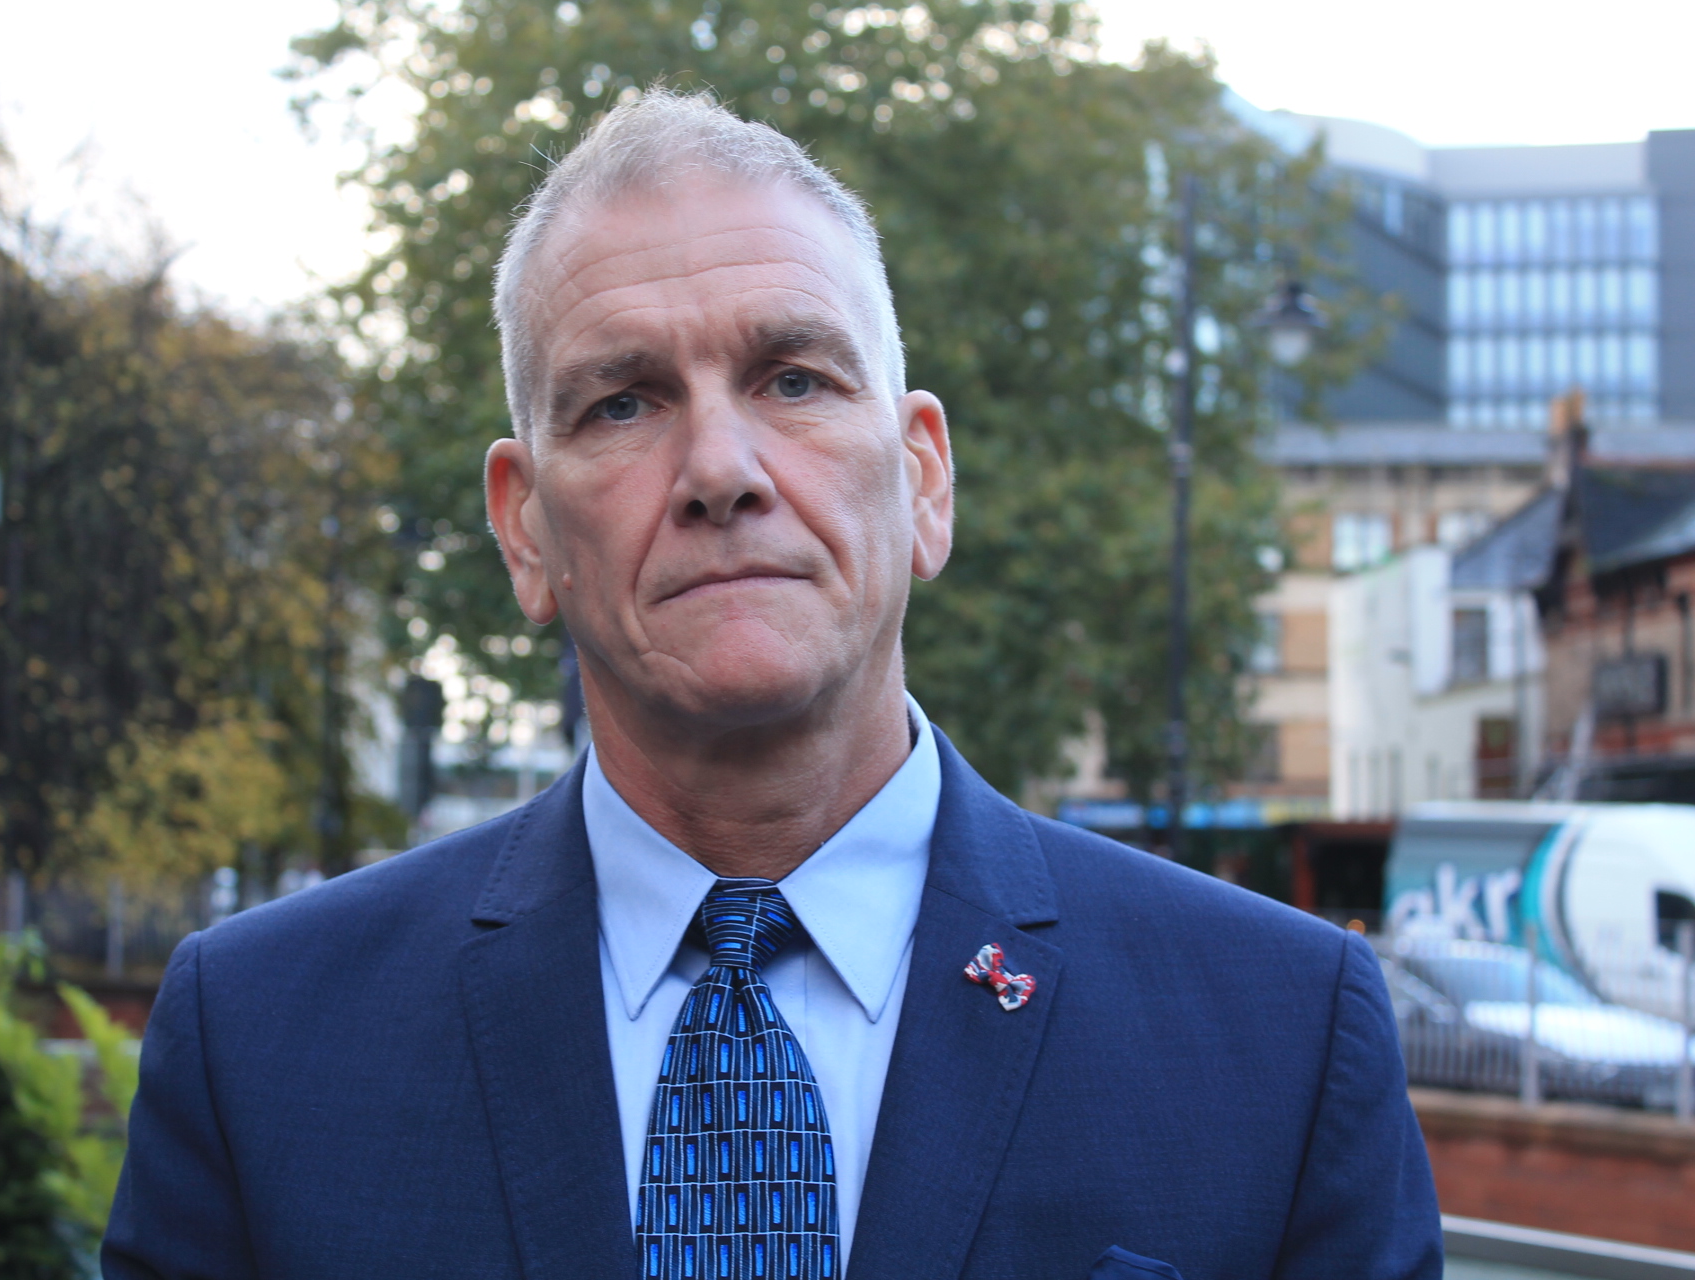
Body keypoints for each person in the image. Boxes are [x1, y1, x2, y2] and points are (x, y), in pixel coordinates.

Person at [103, 90, 1440, 1280]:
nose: (721, 470)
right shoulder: (261, 1044)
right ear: (525, 530)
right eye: (623, 404)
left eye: (794, 378)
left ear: (923, 479)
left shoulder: (1280, 1037)